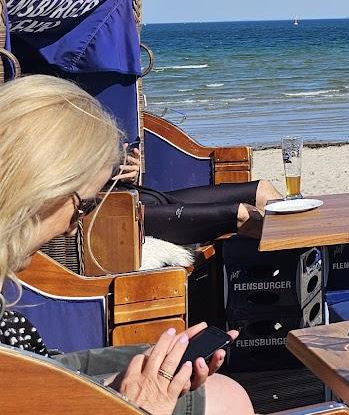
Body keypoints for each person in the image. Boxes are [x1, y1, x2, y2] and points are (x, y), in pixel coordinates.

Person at [0, 75, 253, 415]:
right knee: (225, 400)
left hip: (39, 376)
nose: (71, 231)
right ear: (41, 190)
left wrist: (123, 386)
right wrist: (134, 408)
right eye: (83, 207)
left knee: (200, 382)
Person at [115, 144, 281, 244]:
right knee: (243, 214)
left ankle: (303, 262)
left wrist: (129, 173)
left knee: (261, 191)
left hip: (141, 196)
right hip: (119, 217)